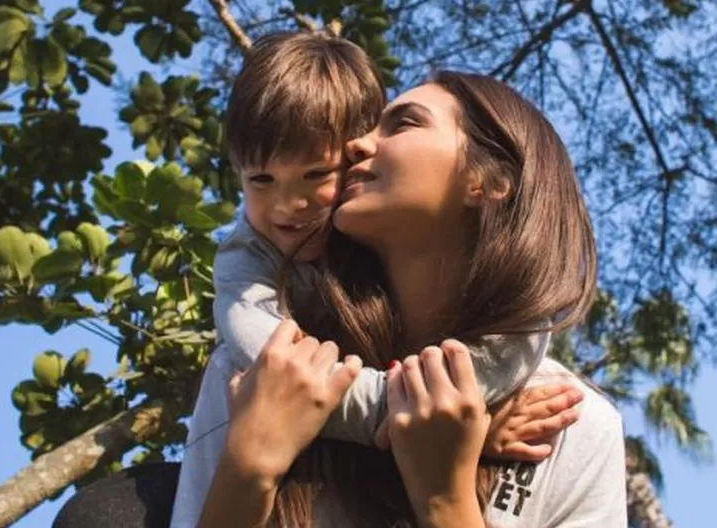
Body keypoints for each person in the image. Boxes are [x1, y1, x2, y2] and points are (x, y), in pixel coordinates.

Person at [171, 31, 583, 528]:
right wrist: (250, 467)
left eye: (403, 124)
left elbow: (523, 328)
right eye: (260, 181)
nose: (363, 146)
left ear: (488, 181)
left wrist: (450, 488)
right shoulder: (251, 373)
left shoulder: (560, 415)